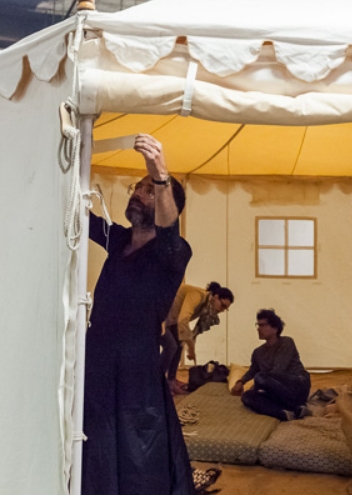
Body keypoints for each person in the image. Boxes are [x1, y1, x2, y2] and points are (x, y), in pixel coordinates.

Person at [82, 134, 194, 495]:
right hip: (97, 356)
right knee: (96, 439)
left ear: (166, 205)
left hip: (137, 367)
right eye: (138, 187)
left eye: (147, 191)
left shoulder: (173, 252)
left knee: (137, 448)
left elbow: (169, 231)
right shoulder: (118, 241)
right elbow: (79, 217)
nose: (138, 192)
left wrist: (159, 174)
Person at [231, 309, 311, 421]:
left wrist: (259, 385)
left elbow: (278, 370)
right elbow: (253, 370)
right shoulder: (258, 352)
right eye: (258, 325)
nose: (259, 329)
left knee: (260, 378)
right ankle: (284, 413)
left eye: (263, 325)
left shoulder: (286, 342)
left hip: (296, 385)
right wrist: (241, 382)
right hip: (274, 390)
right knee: (247, 396)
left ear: (275, 328)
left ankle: (297, 405)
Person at [162, 282, 234, 395]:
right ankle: (156, 382)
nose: (222, 310)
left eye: (226, 308)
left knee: (179, 345)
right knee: (171, 346)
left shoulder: (205, 305)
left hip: (169, 321)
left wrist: (190, 346)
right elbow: (183, 319)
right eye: (223, 306)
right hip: (156, 317)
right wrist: (191, 348)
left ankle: (171, 381)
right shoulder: (197, 295)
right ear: (215, 297)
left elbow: (189, 329)